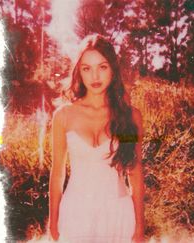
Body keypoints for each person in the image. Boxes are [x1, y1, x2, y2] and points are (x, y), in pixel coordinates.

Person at [49, 34, 144, 243]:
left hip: (118, 214)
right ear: (79, 72)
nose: (95, 76)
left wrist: (140, 227)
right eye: (86, 68)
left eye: (102, 67)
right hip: (75, 215)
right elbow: (57, 175)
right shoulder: (64, 116)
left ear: (113, 69)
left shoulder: (130, 116)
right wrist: (53, 223)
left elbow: (135, 173)